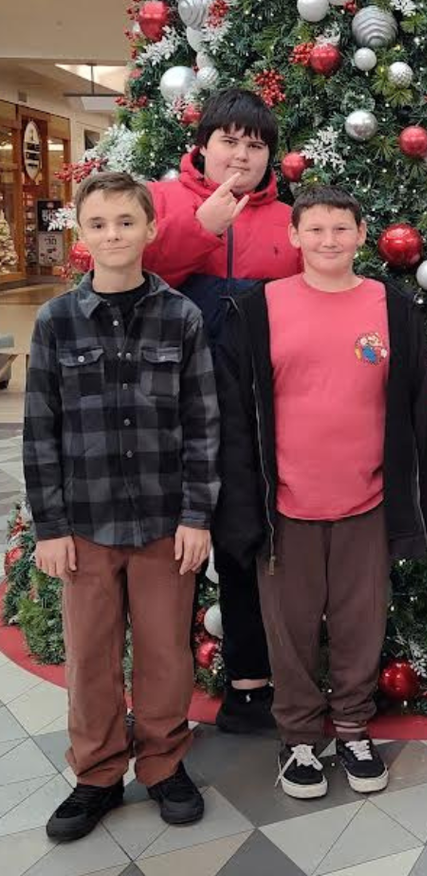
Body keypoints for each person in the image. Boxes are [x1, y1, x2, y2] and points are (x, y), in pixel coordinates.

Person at [214, 186, 427, 798]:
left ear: (362, 234)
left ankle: (351, 726)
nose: (328, 240)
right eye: (314, 229)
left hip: (367, 502)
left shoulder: (391, 309)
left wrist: (422, 500)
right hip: (284, 505)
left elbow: (420, 409)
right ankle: (296, 740)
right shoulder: (257, 310)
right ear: (294, 236)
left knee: (360, 622)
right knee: (288, 628)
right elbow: (236, 418)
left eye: (341, 228)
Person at [23, 171, 220, 842]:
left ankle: (163, 762)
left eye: (126, 222)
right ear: (82, 234)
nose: (114, 234)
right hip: (85, 523)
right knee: (91, 653)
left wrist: (198, 514)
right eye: (100, 223)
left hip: (166, 522)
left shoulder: (181, 317)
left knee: (166, 651)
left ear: (150, 228)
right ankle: (98, 772)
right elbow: (40, 429)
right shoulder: (55, 323)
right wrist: (48, 527)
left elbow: (202, 423)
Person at [145, 88, 301, 735]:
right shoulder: (160, 201)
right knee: (165, 554)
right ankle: (160, 704)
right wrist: (201, 226)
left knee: (240, 544)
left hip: (250, 416)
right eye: (229, 141)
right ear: (203, 144)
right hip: (168, 411)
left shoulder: (286, 220)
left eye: (255, 144)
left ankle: (247, 686)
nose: (241, 154)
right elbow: (127, 271)